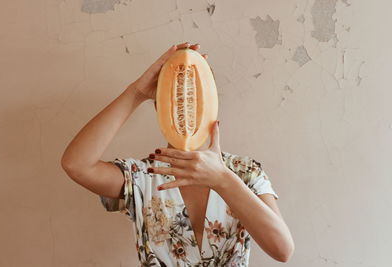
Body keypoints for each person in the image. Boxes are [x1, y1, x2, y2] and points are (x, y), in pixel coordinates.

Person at [61, 42, 294, 266]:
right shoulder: (143, 176)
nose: (185, 104)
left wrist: (223, 179)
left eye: (195, 97)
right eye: (174, 97)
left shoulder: (244, 173)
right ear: (158, 106)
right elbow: (76, 165)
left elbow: (282, 250)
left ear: (213, 103)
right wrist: (136, 93)